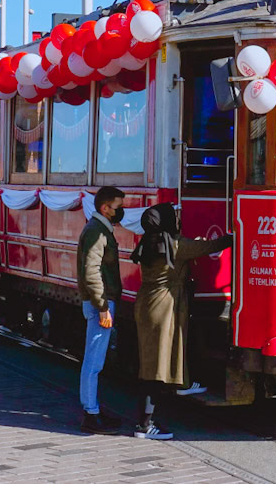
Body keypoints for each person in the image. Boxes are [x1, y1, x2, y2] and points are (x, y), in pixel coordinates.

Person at [132, 204, 231, 439]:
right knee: (155, 368)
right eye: (174, 217)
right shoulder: (176, 245)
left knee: (153, 362)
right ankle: (145, 425)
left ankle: (182, 383)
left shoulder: (148, 241)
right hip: (164, 307)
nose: (177, 220)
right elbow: (212, 246)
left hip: (147, 304)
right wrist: (236, 233)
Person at [77, 186, 126, 435]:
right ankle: (90, 414)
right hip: (101, 305)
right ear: (105, 208)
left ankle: (93, 409)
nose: (121, 211)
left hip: (101, 303)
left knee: (95, 360)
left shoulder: (99, 228)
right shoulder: (97, 232)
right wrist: (103, 306)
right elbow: (92, 273)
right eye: (118, 207)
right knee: (94, 361)